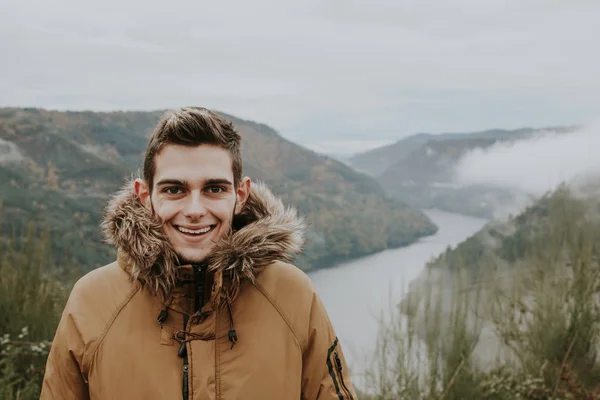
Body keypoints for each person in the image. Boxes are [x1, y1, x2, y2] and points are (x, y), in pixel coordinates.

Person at [40, 107, 357, 399]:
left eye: (214, 189)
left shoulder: (293, 297)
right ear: (145, 196)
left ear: (240, 194)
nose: (194, 210)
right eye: (174, 189)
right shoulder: (92, 303)